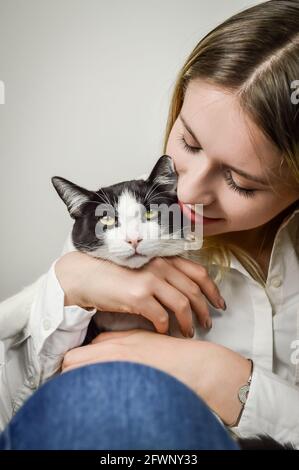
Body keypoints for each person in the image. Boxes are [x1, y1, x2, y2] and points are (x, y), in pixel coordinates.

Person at [0, 0, 299, 449]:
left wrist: (233, 382)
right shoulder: (110, 234)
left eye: (240, 182)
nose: (190, 193)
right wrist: (66, 287)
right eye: (189, 142)